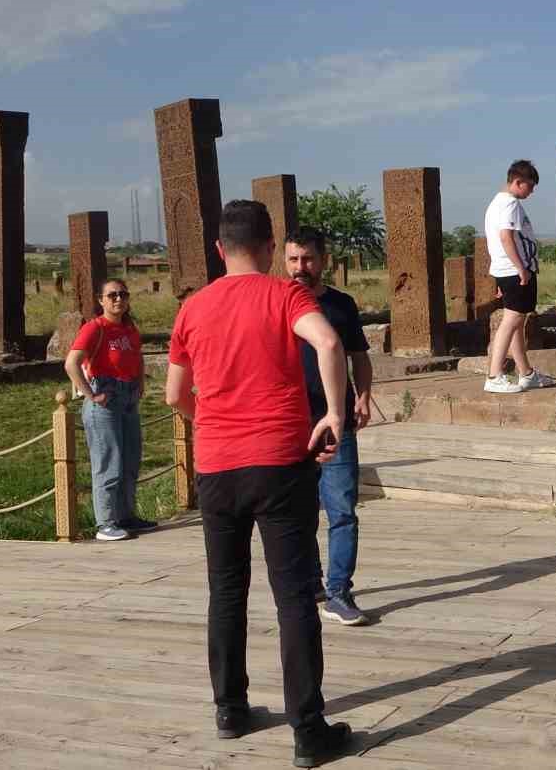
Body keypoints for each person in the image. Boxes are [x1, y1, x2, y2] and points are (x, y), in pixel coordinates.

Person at [164, 199, 352, 766]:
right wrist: (334, 415)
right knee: (293, 594)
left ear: (219, 249)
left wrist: (217, 425)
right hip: (279, 461)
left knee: (226, 590)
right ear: (271, 248)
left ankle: (230, 709)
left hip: (217, 468)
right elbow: (329, 343)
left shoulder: (192, 309)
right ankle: (307, 729)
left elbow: (175, 395)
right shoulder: (285, 294)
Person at [283, 228, 373, 627]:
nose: (300, 268)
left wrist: (364, 395)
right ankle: (313, 582)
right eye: (292, 260)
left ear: (323, 260)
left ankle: (338, 591)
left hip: (335, 421)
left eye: (307, 259)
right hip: (290, 422)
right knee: (298, 512)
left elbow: (359, 356)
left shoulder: (341, 305)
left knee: (342, 510)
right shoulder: (276, 304)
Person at [63, 278, 150, 542]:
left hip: (128, 397)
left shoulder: (129, 328)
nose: (118, 299)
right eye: (111, 295)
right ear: (101, 300)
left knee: (130, 460)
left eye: (123, 294)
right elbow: (71, 364)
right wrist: (89, 394)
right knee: (108, 462)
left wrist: (140, 383)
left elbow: (137, 356)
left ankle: (126, 515)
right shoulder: (95, 328)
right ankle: (106, 523)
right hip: (106, 399)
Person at [483, 159, 553, 394]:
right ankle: (494, 375)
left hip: (506, 271)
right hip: (515, 270)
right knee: (511, 321)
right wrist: (521, 268)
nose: (532, 192)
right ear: (518, 181)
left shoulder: (496, 203)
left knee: (517, 322)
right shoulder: (510, 203)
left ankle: (526, 373)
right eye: (530, 186)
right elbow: (505, 238)